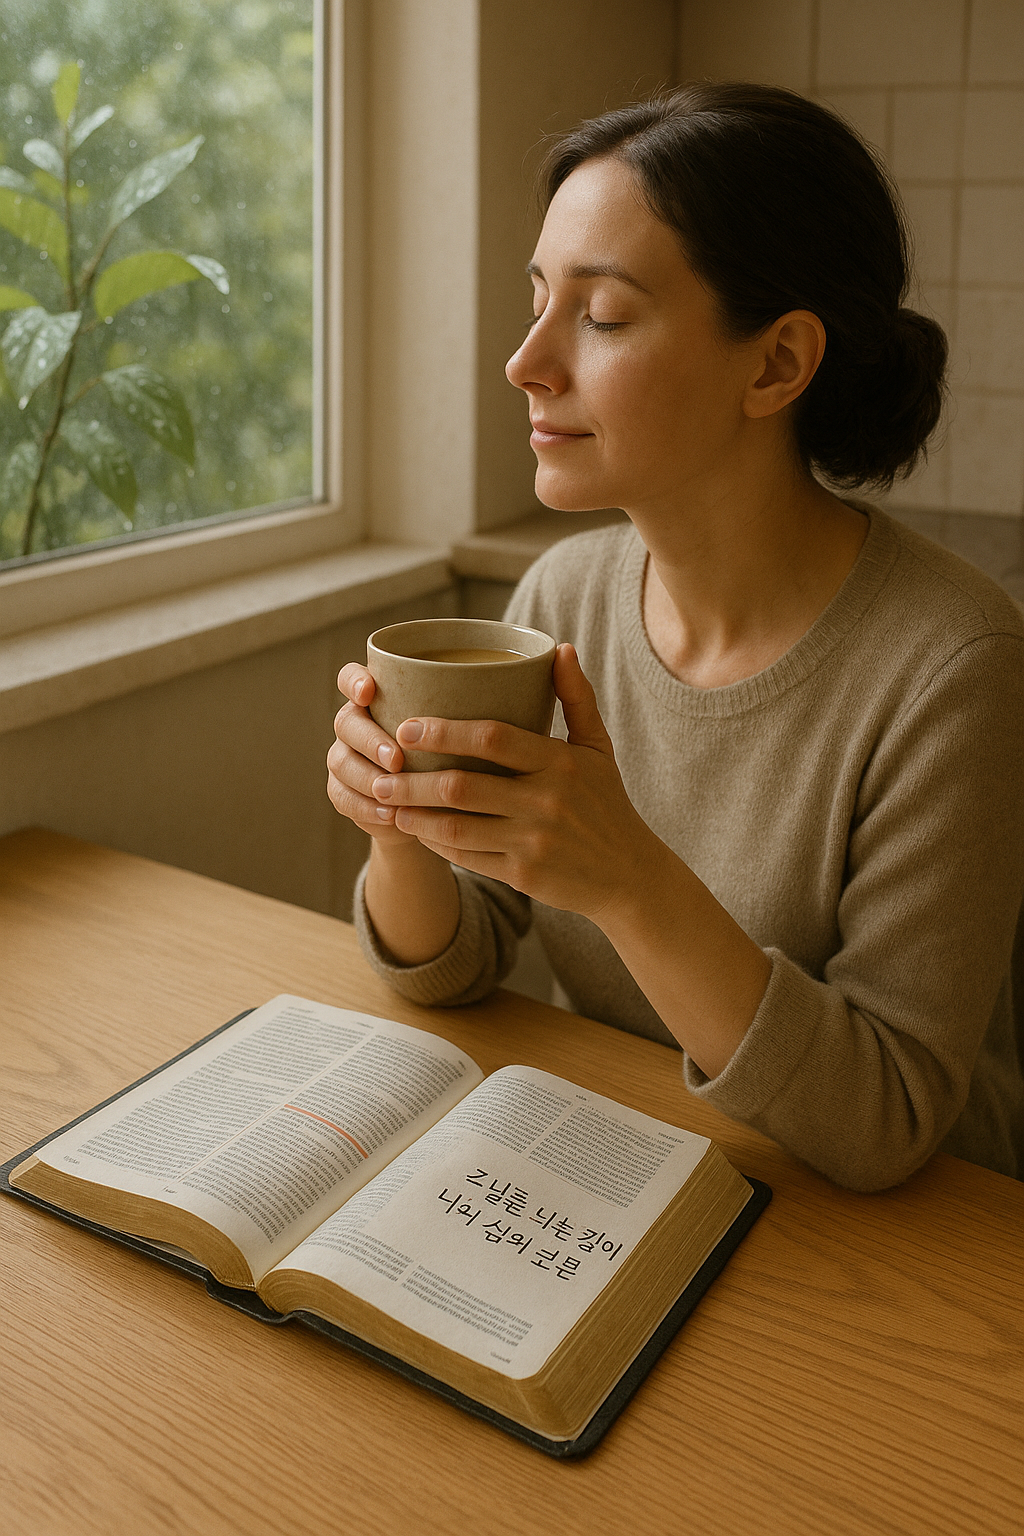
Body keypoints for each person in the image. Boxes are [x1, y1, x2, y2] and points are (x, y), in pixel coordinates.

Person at [327, 83, 1024, 1192]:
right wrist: (400, 823)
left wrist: (629, 883)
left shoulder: (952, 662)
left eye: (599, 316)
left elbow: (892, 1117)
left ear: (776, 365)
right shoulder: (561, 596)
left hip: (914, 1248)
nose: (526, 362)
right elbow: (452, 966)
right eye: (536, 300)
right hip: (625, 1166)